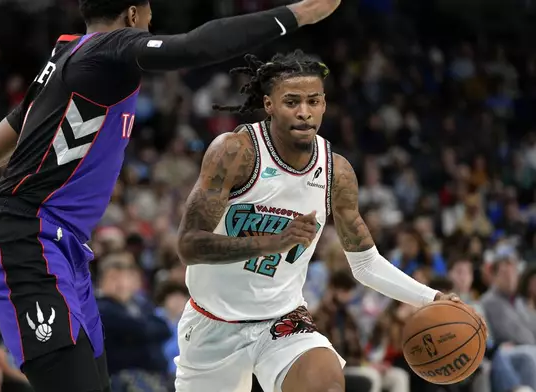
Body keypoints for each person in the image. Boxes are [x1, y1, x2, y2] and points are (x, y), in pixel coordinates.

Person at [0, 0, 343, 391]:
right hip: (26, 242)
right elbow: (195, 46)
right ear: (133, 15)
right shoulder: (110, 50)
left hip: (61, 248)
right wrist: (300, 13)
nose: (151, 23)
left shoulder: (66, 56)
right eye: (149, 14)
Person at [175, 50, 470, 392]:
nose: (304, 112)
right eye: (291, 102)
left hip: (282, 322)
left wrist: (431, 298)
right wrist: (271, 242)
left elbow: (366, 264)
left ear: (324, 104)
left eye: (313, 101)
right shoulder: (236, 152)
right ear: (269, 104)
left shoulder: (336, 171)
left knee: (327, 384)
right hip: (213, 325)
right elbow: (188, 245)